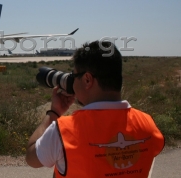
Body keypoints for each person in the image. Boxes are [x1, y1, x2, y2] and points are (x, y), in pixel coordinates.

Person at [26, 41, 164, 177]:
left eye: (74, 76)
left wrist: (53, 113)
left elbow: (31, 158)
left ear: (87, 80)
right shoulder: (147, 123)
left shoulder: (64, 131)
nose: (72, 82)